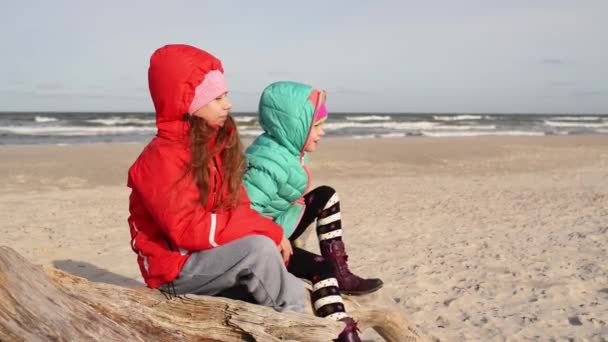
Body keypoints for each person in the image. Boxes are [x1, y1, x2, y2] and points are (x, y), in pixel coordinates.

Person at [126, 44, 305, 313]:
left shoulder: (215, 147)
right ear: (188, 102)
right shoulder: (161, 159)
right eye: (217, 98)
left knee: (277, 260)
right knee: (258, 250)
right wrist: (263, 231)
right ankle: (294, 324)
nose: (228, 104)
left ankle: (291, 300)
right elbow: (188, 229)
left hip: (208, 257)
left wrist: (265, 229)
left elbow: (238, 205)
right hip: (176, 269)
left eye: (226, 95)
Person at [243, 81, 384, 337]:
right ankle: (342, 332)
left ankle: (341, 272)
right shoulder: (266, 163)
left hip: (278, 224)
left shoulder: (286, 150)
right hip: (262, 244)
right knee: (321, 268)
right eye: (316, 125)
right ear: (294, 126)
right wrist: (275, 235)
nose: (323, 132)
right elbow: (245, 212)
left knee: (326, 195)